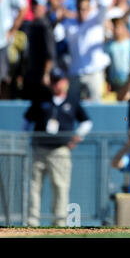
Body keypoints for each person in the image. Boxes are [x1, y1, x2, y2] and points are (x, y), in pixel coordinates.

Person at [23, 67, 93, 226]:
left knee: (61, 187)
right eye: (53, 81)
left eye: (59, 81)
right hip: (39, 148)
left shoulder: (72, 100)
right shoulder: (42, 98)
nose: (56, 85)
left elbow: (87, 122)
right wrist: (25, 137)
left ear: (65, 82)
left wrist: (77, 137)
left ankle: (59, 223)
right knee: (34, 187)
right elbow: (26, 120)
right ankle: (31, 222)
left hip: (60, 151)